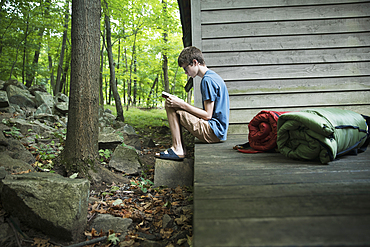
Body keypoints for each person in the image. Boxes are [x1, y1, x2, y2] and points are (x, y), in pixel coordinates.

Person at [155, 46, 230, 161]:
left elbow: (207, 115)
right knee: (174, 103)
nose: (186, 73)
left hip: (213, 132)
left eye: (186, 68)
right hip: (218, 131)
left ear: (195, 62)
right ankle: (180, 148)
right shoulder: (213, 76)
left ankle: (177, 148)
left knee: (169, 104)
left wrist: (181, 104)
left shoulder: (207, 81)